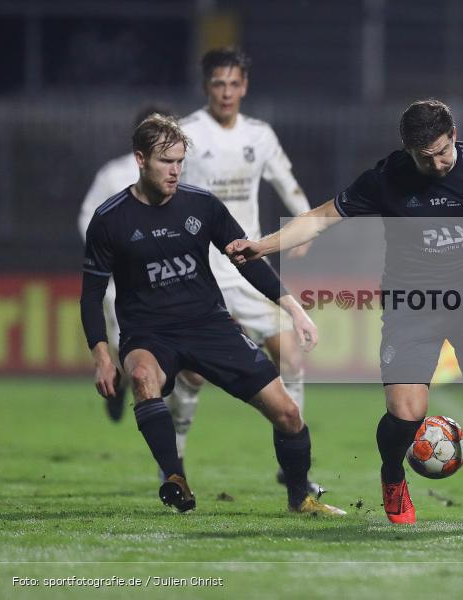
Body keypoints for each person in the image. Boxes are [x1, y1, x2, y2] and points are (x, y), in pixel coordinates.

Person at [227, 100, 463, 530]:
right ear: (408, 151)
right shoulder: (387, 178)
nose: (437, 164)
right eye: (425, 157)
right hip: (413, 305)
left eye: (443, 152)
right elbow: (320, 218)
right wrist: (261, 246)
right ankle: (393, 474)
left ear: (454, 135)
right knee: (407, 414)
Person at [80, 114, 344, 516]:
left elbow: (248, 260)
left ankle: (299, 499)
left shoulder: (201, 205)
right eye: (166, 161)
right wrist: (102, 355)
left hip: (209, 327)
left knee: (288, 414)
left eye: (179, 161)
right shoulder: (109, 219)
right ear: (140, 159)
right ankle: (174, 477)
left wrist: (294, 309)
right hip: (148, 334)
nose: (175, 170)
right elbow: (91, 295)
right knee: (141, 376)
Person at [169, 48, 319, 494]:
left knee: (291, 356)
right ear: (206, 87)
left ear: (245, 87)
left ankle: (293, 467)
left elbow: (287, 182)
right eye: (219, 84)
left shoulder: (260, 134)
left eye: (235, 84)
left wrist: (303, 224)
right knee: (193, 374)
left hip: (248, 265)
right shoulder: (188, 134)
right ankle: (173, 459)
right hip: (202, 270)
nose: (227, 92)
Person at [78, 105, 172, 422]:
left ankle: (149, 395)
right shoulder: (113, 174)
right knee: (128, 340)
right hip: (123, 280)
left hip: (168, 277)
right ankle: (126, 385)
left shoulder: (180, 173)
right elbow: (88, 217)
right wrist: (106, 254)